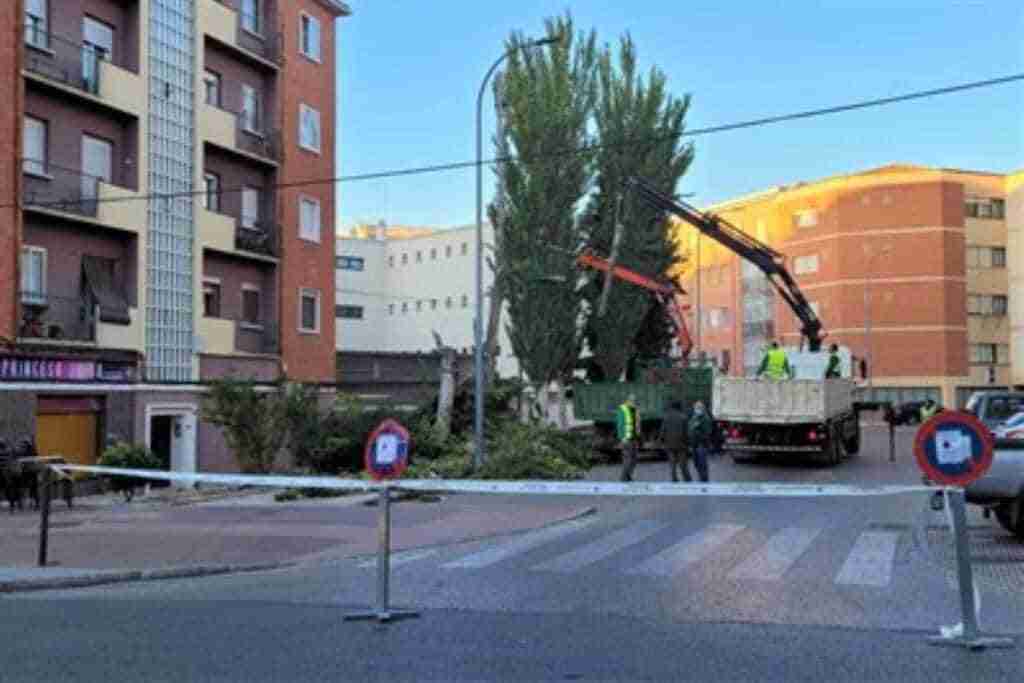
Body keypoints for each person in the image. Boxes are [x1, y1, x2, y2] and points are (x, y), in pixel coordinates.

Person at [658, 401, 689, 482]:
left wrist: (659, 441)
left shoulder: (666, 417)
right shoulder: (683, 417)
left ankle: (674, 479)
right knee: (683, 465)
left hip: (669, 444)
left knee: (672, 464)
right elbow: (686, 432)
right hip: (681, 444)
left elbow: (662, 431)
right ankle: (687, 480)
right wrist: (688, 443)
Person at [617, 394, 641, 482]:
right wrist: (622, 438)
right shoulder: (622, 409)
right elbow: (619, 425)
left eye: (635, 401)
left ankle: (628, 476)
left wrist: (639, 436)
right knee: (627, 459)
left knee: (634, 460)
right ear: (628, 400)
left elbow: (637, 424)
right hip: (626, 439)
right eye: (632, 400)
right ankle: (623, 478)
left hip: (634, 438)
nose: (634, 402)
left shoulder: (635, 409)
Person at [687, 401, 713, 483]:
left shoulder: (706, 418)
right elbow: (690, 428)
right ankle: (701, 477)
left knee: (702, 463)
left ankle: (704, 480)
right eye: (696, 407)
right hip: (694, 444)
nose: (697, 409)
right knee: (696, 463)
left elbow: (708, 432)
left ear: (703, 408)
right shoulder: (694, 417)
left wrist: (698, 432)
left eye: (699, 407)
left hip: (701, 444)